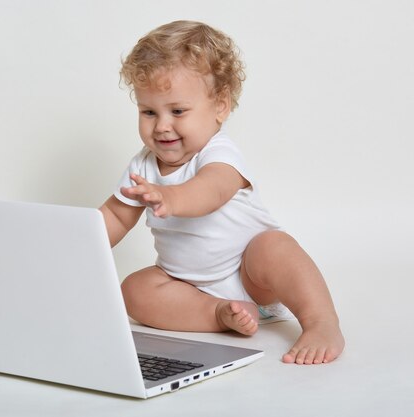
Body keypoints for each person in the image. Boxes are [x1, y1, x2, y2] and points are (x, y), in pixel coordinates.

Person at [99, 20, 344, 365]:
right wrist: (77, 241)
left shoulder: (219, 153)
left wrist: (170, 198)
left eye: (178, 111)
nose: (162, 125)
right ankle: (219, 314)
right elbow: (113, 216)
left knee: (273, 246)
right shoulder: (143, 165)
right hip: (185, 285)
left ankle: (321, 321)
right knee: (134, 290)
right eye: (148, 112)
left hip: (251, 275)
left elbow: (211, 190)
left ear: (220, 106)